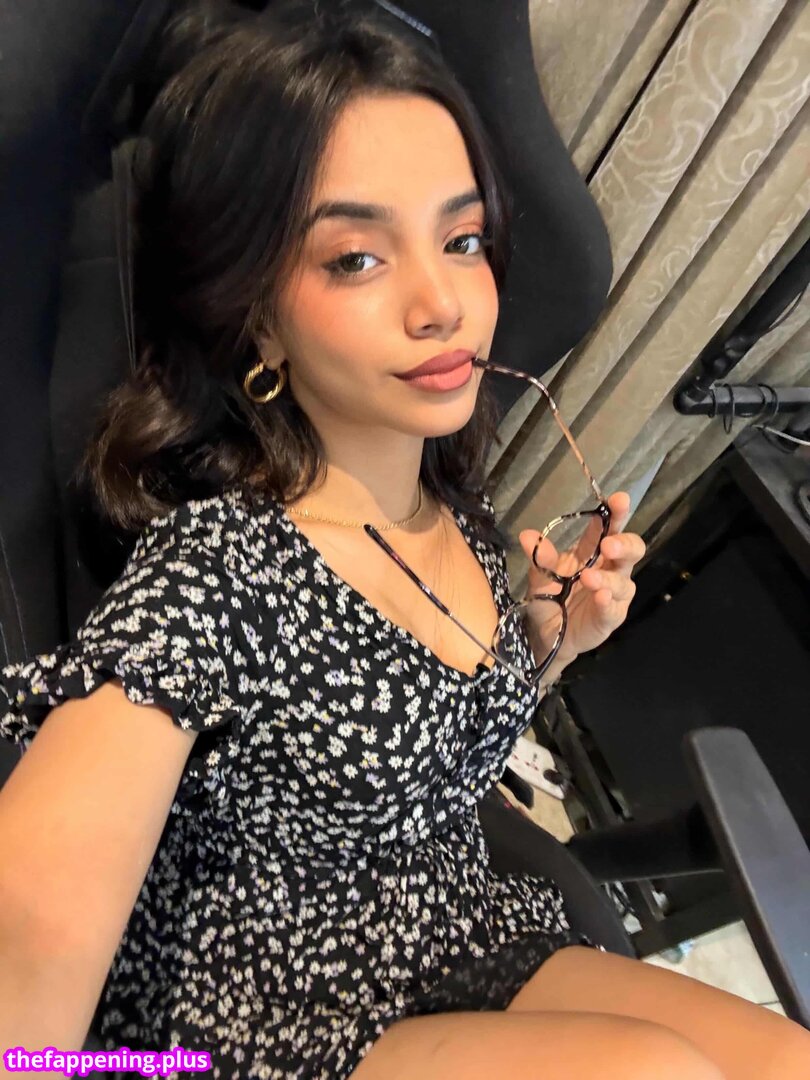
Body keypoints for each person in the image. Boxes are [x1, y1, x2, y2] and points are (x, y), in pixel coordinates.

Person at [0, 3, 808, 1078]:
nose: (443, 303)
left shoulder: (450, 509)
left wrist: (549, 639)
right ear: (257, 316)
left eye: (462, 240)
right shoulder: (219, 572)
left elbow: (424, 741)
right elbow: (25, 982)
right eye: (355, 259)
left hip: (455, 920)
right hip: (259, 1012)